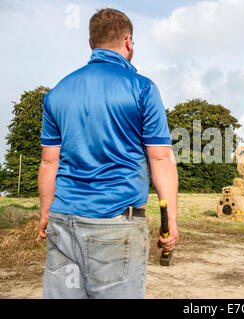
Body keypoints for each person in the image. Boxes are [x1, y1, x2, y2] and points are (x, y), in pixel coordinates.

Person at [38, 8, 179, 298]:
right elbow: (160, 157)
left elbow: (49, 160)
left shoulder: (58, 92)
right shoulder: (142, 89)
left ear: (91, 44)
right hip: (116, 225)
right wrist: (171, 221)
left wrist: (45, 212)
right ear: (128, 41)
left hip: (63, 221)